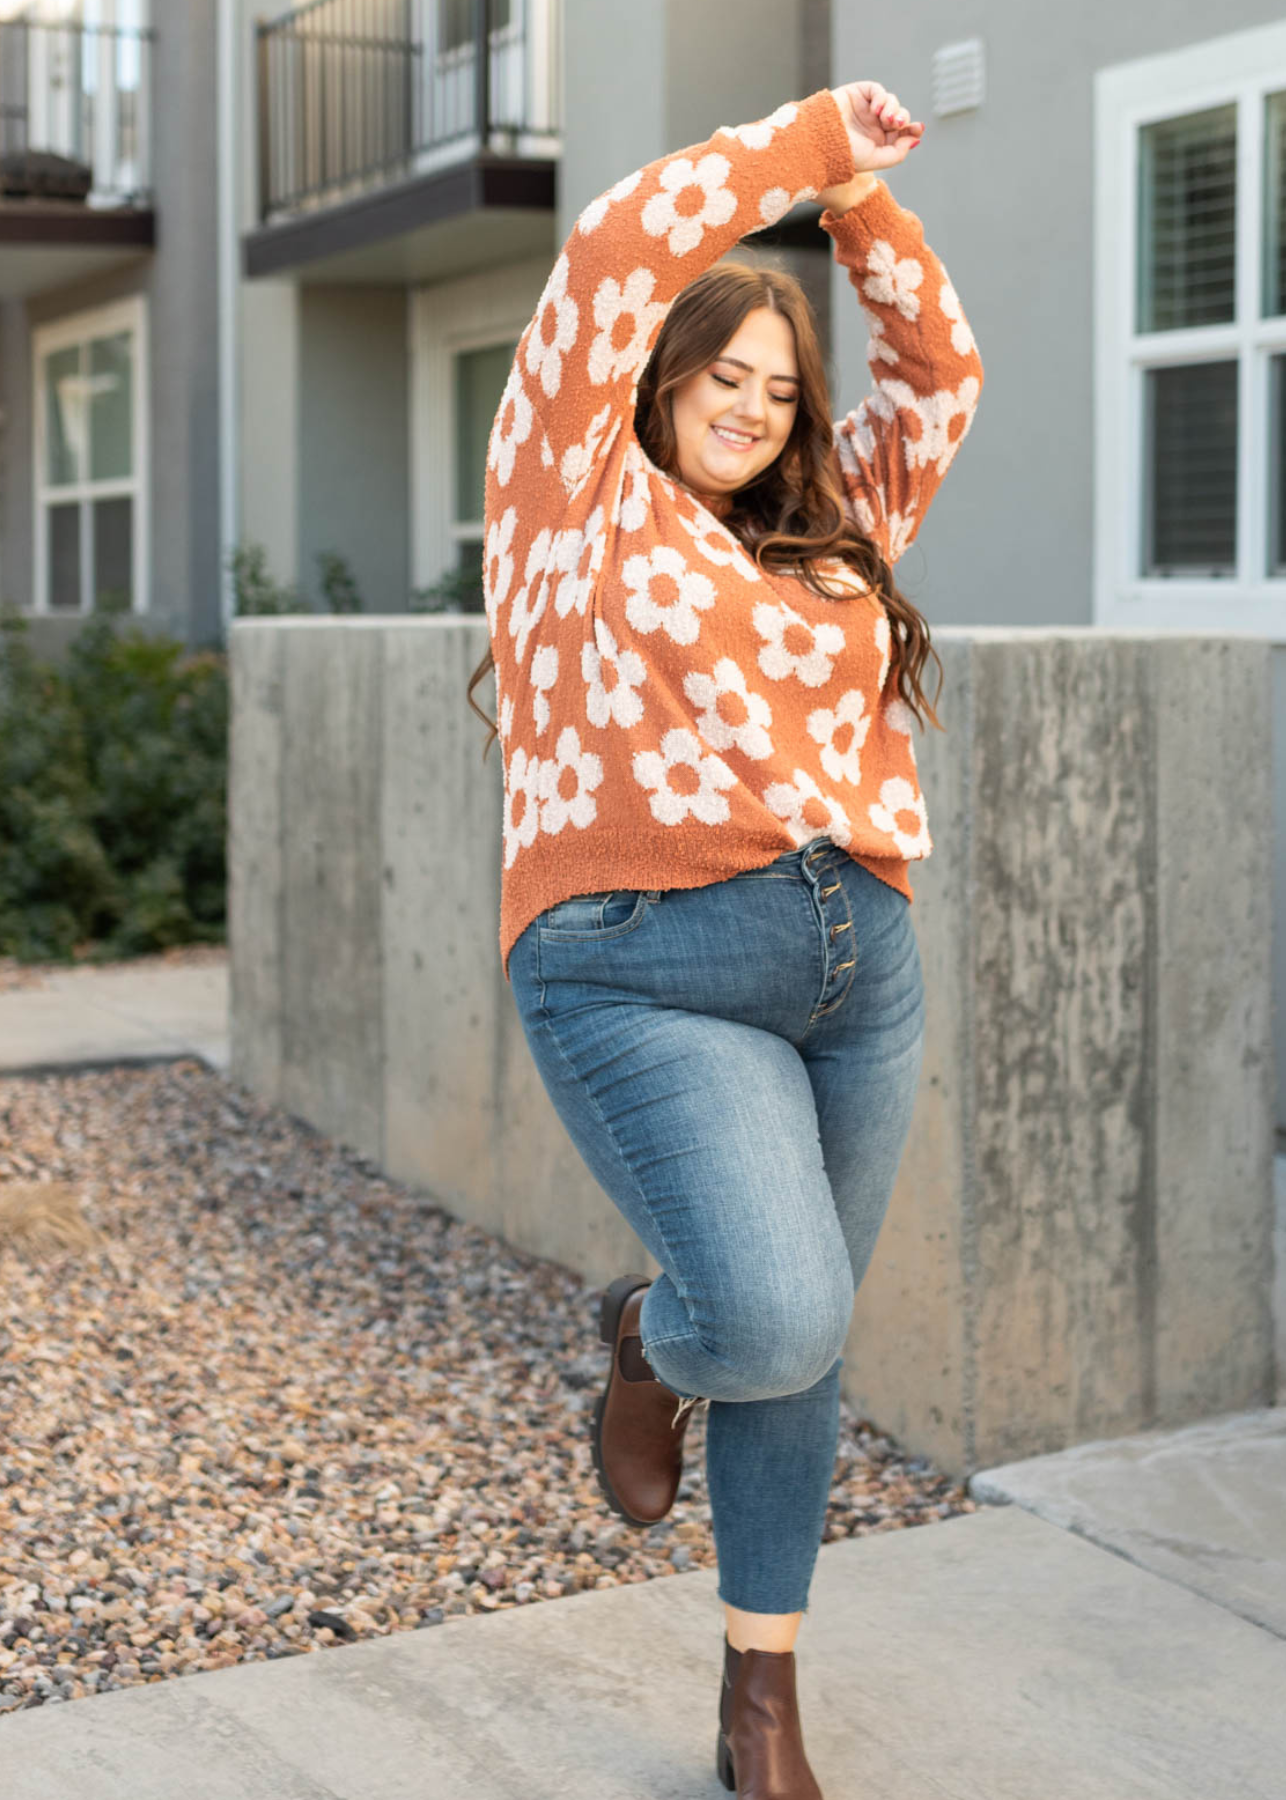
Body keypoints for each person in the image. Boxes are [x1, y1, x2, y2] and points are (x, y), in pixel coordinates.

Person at [470, 77, 983, 1799]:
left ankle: (758, 1693)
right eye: (724, 377)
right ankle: (649, 1337)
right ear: (660, 375)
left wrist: (862, 223)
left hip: (861, 968)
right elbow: (618, 243)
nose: (755, 411)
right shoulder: (571, 497)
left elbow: (940, 375)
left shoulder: (834, 539)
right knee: (765, 1318)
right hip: (640, 960)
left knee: (809, 1337)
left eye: (779, 391)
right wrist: (815, 144)